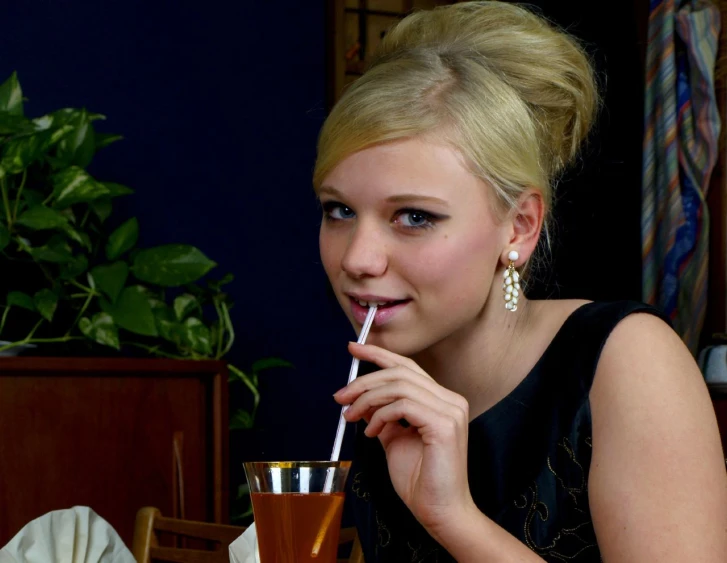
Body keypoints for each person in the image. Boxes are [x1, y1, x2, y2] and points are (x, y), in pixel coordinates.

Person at [314, 2, 727, 561]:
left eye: (414, 216)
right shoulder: (387, 379)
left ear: (520, 226)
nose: (358, 259)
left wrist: (453, 518)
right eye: (338, 210)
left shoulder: (626, 362)